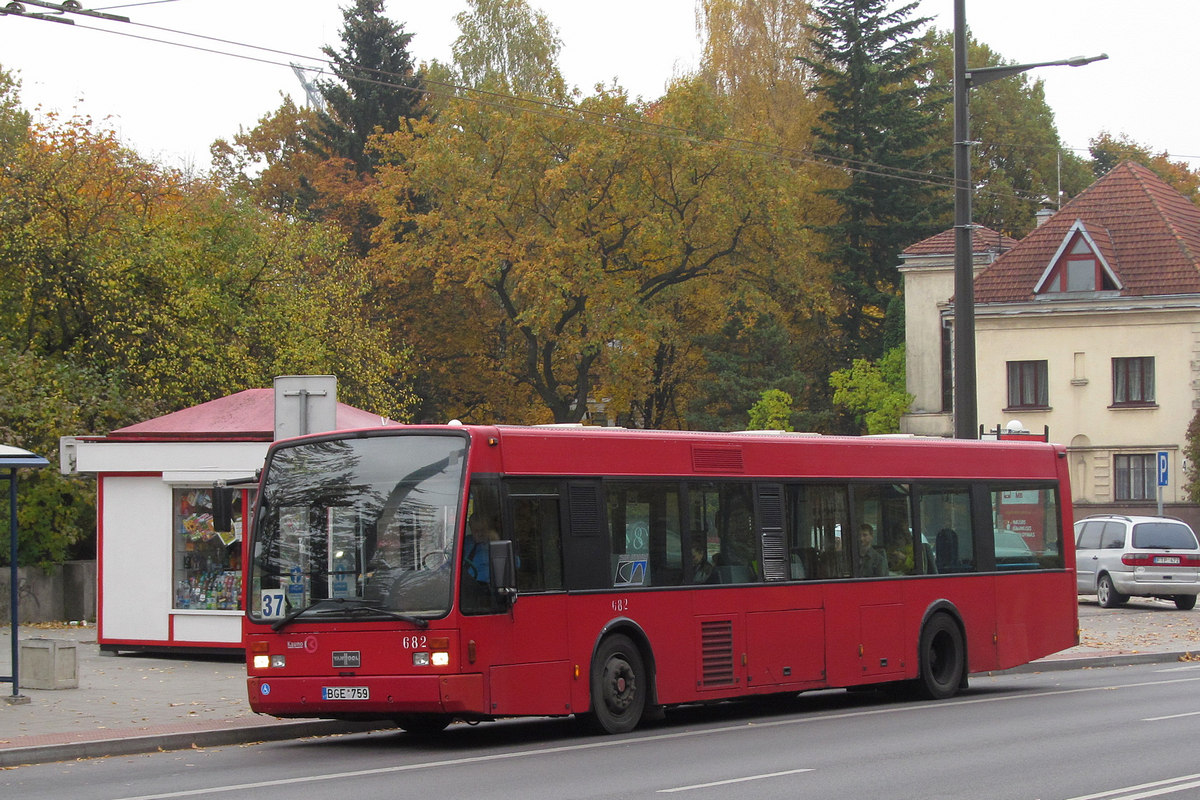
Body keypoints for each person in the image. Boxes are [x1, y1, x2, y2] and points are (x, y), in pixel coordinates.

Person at [463, 513, 500, 584]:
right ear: (471, 529)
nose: (479, 534)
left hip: (483, 586)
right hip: (462, 584)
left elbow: (516, 563)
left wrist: (497, 542)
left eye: (482, 530)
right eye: (476, 530)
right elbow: (452, 560)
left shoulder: (494, 544)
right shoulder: (466, 541)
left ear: (488, 529)